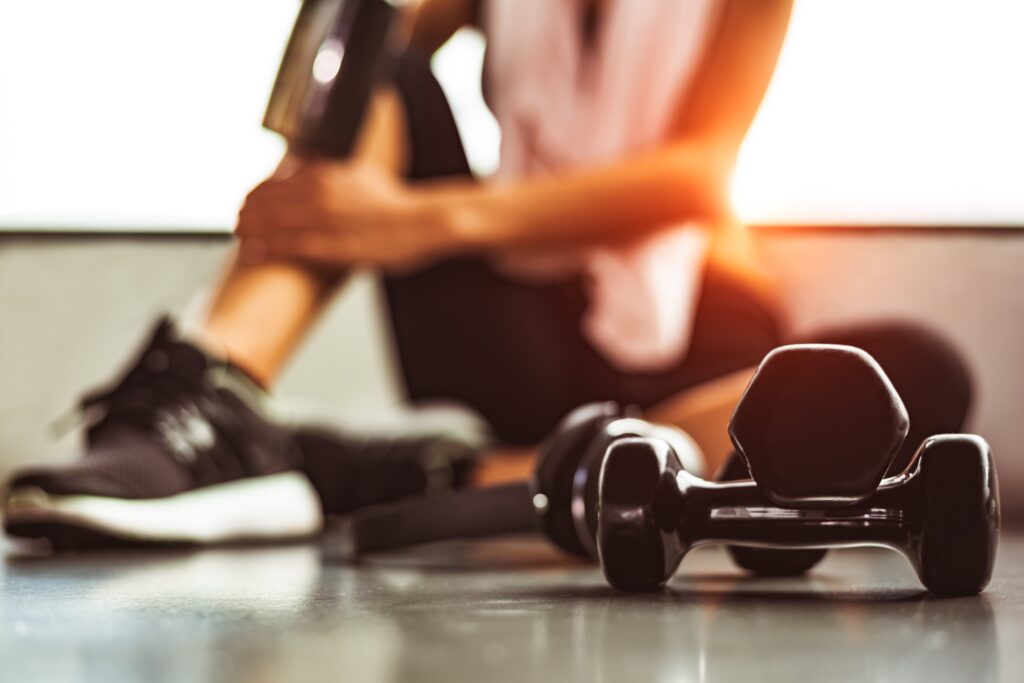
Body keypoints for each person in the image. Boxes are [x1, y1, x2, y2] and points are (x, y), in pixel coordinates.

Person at [2, 0, 971, 547]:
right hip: (516, 327)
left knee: (914, 372)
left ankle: (413, 473)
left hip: (693, 336)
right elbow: (362, 50)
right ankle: (201, 403)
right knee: (385, 75)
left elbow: (694, 175)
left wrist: (422, 222)